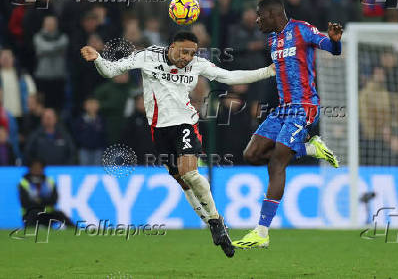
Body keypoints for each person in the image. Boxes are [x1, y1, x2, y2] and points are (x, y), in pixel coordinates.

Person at [80, 31, 275, 258]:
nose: (187, 57)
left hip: (185, 123)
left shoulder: (197, 64)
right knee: (182, 181)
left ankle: (215, 221)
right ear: (172, 46)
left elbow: (229, 77)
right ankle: (212, 224)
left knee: (190, 173)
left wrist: (268, 71)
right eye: (183, 51)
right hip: (159, 130)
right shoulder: (147, 56)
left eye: (192, 53)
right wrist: (98, 59)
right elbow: (110, 70)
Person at [232, 0, 343, 249]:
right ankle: (312, 148)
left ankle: (261, 232)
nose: (257, 20)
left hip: (304, 107)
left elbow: (330, 46)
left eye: (260, 16)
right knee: (252, 154)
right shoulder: (271, 39)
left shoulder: (302, 29)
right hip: (282, 109)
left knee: (277, 161)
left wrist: (335, 42)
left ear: (273, 14)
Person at [19, 158, 73, 227]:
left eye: (39, 167)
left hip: (47, 213)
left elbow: (54, 199)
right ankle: (30, 231)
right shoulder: (24, 182)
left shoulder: (49, 181)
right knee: (32, 213)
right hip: (31, 214)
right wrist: (44, 202)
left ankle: (75, 230)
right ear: (30, 168)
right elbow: (25, 202)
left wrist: (38, 201)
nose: (37, 169)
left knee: (60, 214)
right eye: (35, 167)